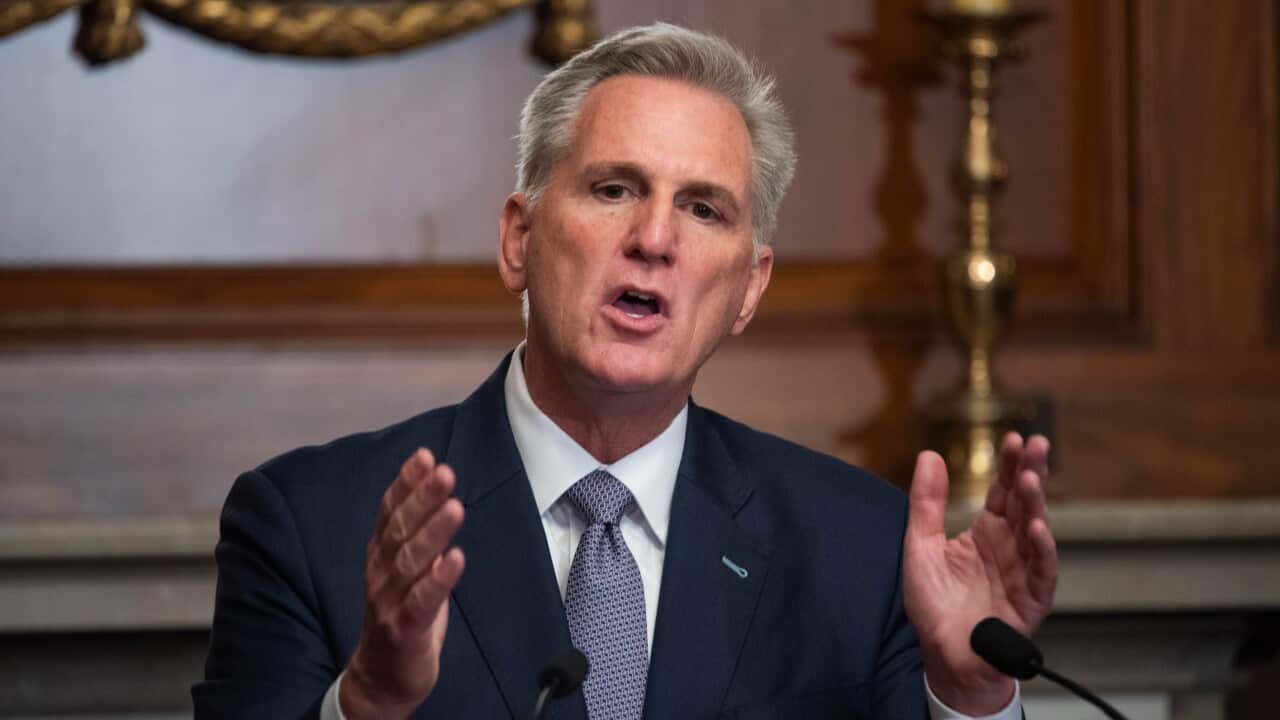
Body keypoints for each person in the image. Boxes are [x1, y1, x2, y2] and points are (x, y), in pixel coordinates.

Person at [193, 23, 1057, 719]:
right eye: (614, 189)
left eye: (703, 208)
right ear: (519, 240)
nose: (654, 239)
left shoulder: (864, 553)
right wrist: (371, 705)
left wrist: (973, 697)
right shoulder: (309, 526)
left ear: (749, 289)